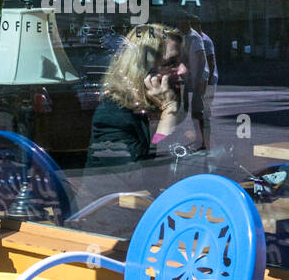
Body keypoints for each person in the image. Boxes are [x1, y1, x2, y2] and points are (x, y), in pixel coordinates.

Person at [85, 23, 186, 170]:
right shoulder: (113, 117)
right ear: (143, 70)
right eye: (171, 63)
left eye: (182, 61)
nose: (183, 70)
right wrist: (168, 111)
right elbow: (147, 175)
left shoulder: (162, 102)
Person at [179, 16, 210, 150]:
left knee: (197, 110)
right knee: (193, 110)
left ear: (188, 24)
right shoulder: (184, 37)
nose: (179, 27)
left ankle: (203, 141)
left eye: (182, 24)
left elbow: (202, 60)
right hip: (191, 77)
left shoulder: (195, 37)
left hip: (200, 77)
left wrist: (197, 80)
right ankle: (200, 139)